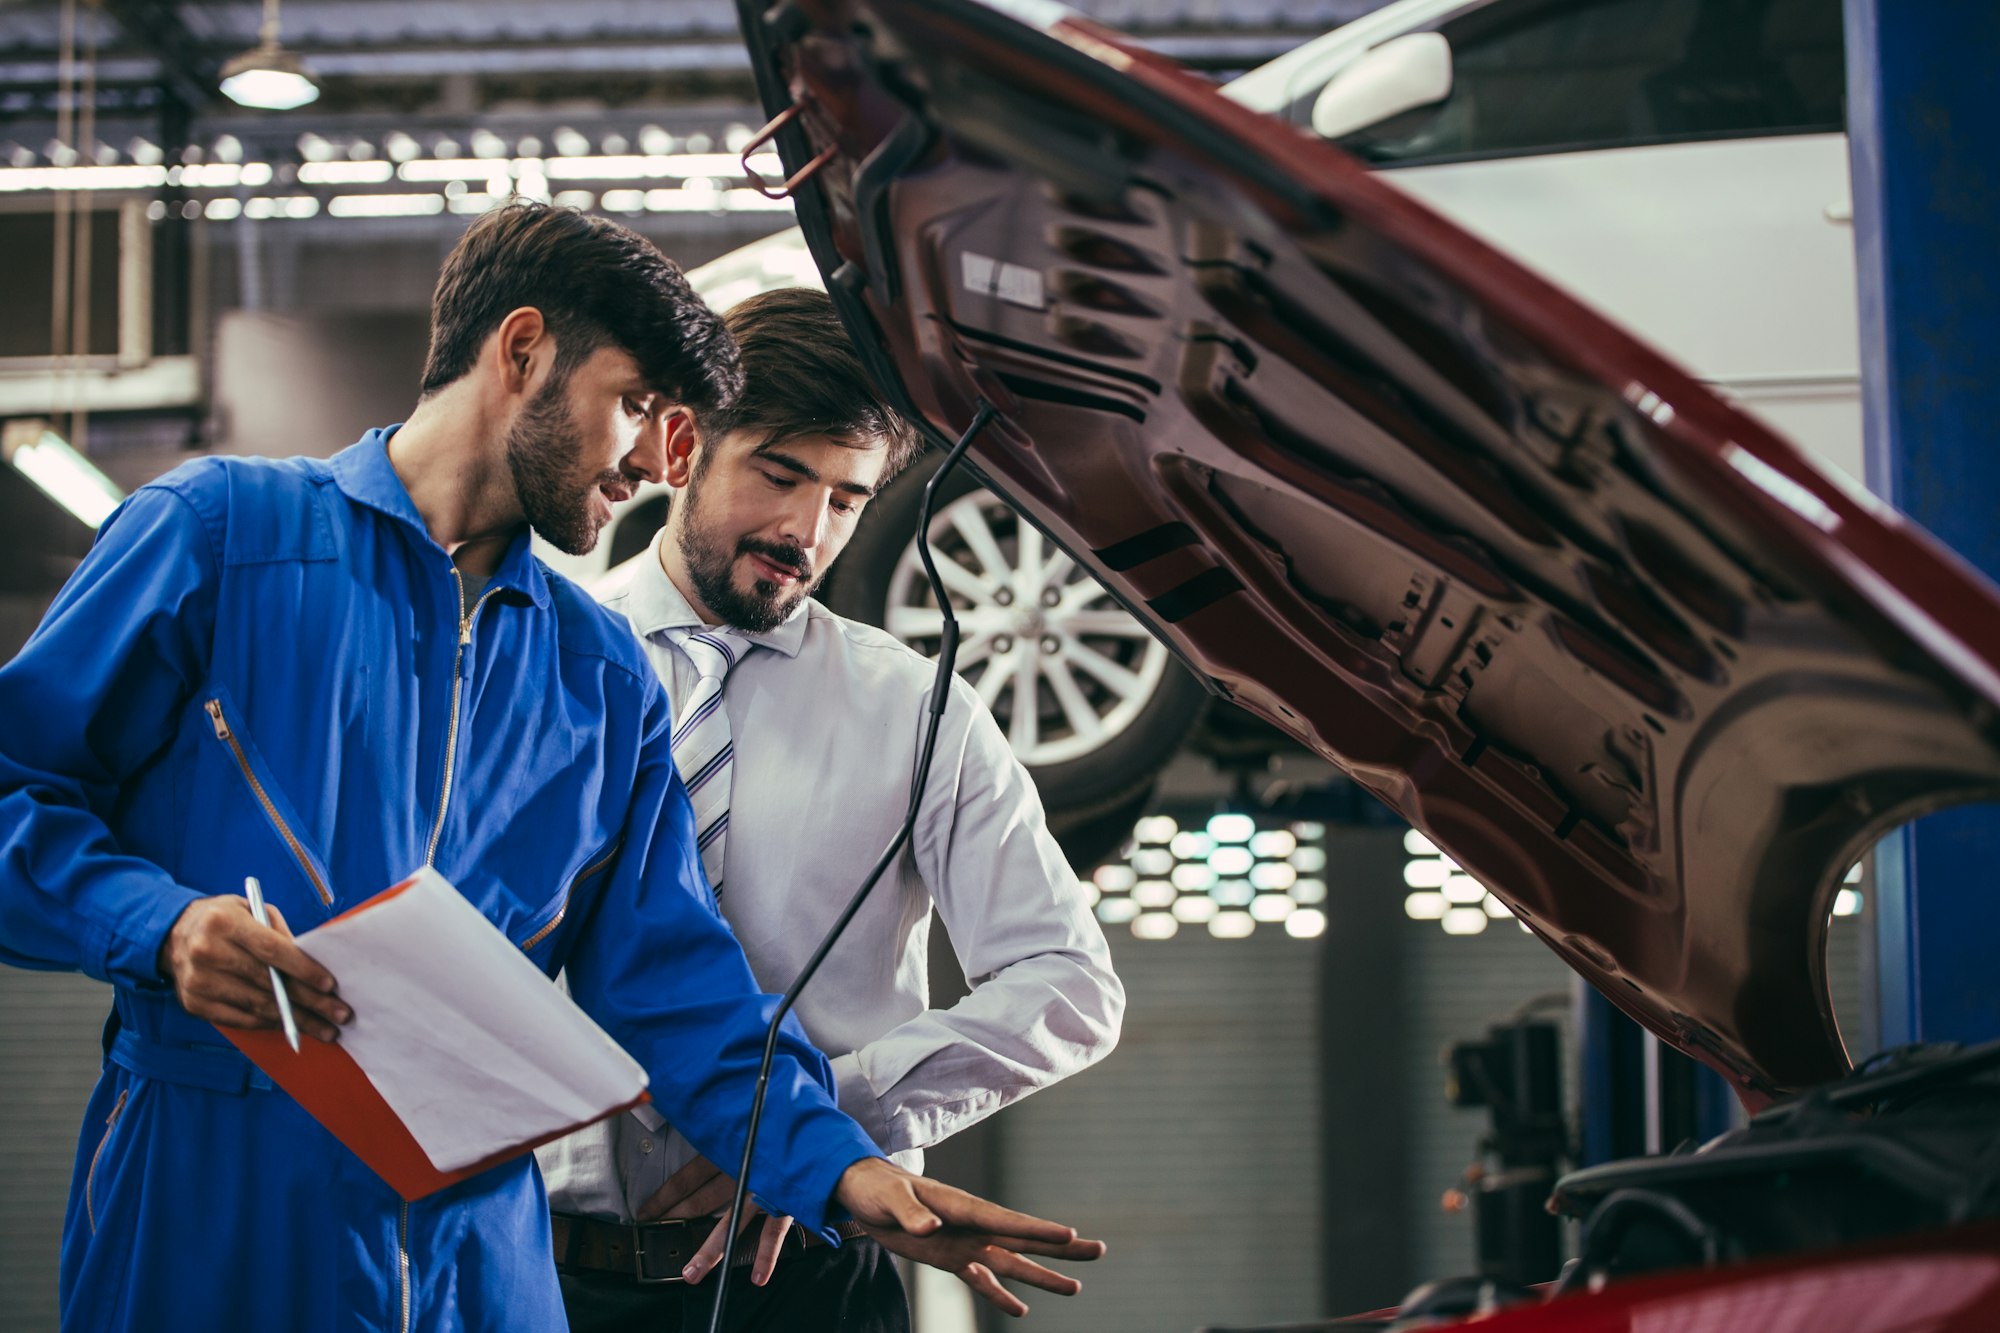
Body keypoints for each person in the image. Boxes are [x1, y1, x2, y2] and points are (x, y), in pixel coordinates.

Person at [0, 202, 1101, 1333]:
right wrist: (161, 926)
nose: (651, 460)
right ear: (521, 352)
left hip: (479, 1254)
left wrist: (839, 1169)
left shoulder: (599, 673)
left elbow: (677, 987)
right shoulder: (219, 535)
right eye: (635, 405)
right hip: (210, 1205)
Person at [537, 289, 1124, 1332]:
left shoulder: (916, 709)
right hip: (545, 1276)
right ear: (682, 444)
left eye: (846, 500)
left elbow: (1068, 984)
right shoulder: (535, 662)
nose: (806, 531)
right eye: (780, 474)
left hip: (805, 1281)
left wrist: (811, 1129)